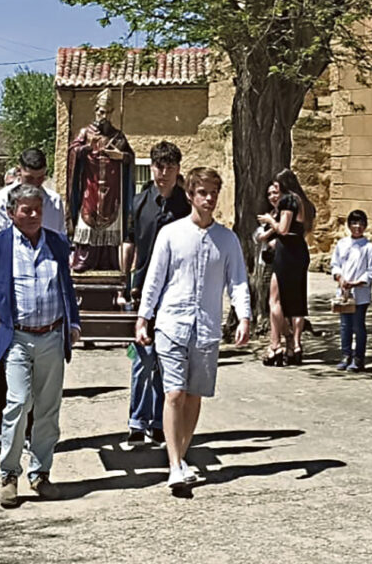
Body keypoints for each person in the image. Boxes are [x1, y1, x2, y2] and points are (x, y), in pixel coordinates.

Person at [0, 184, 82, 508]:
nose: (34, 214)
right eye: (26, 209)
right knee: (19, 402)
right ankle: (9, 475)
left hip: (52, 336)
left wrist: (74, 323)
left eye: (37, 208)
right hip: (18, 338)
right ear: (12, 213)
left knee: (49, 410)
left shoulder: (56, 243)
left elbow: (66, 285)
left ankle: (41, 475)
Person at [136, 167, 250, 490]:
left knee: (194, 397)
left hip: (207, 329)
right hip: (171, 325)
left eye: (213, 192)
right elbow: (154, 279)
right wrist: (144, 317)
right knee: (174, 393)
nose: (209, 198)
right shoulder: (171, 234)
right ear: (190, 196)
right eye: (202, 192)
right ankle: (174, 466)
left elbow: (238, 282)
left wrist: (244, 317)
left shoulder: (226, 240)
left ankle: (181, 455)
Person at [0, 147, 66, 450]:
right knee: (2, 362)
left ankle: (30, 428)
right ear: (19, 172)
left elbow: (60, 246)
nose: (37, 185)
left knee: (38, 370)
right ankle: (2, 419)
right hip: (6, 292)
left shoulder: (54, 202)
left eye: (42, 179)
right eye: (31, 178)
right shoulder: (2, 202)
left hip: (42, 291)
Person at [120, 141, 190, 447]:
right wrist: (124, 282)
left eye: (170, 168)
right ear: (152, 168)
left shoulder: (186, 206)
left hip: (175, 293)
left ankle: (160, 423)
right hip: (142, 288)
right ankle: (137, 420)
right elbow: (129, 242)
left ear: (177, 170)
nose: (163, 173)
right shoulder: (138, 202)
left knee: (166, 360)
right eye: (159, 167)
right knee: (141, 358)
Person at [66, 88, 135, 272]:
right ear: (95, 110)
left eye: (106, 112)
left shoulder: (117, 136)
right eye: (100, 111)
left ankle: (108, 260)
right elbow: (73, 152)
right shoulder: (85, 132)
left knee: (109, 223)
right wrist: (86, 149)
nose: (102, 116)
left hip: (111, 189)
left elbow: (129, 157)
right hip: (91, 186)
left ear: (112, 113)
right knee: (88, 218)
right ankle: (85, 258)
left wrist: (120, 157)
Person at [257, 168, 315, 366]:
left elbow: (282, 229)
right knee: (296, 299)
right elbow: (301, 229)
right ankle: (295, 346)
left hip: (287, 251)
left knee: (275, 298)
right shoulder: (305, 202)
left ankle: (276, 344)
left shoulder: (289, 200)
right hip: (299, 249)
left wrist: (269, 221)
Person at [331, 210, 372, 373]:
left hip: (360, 294)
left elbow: (371, 271)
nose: (357, 227)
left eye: (360, 223)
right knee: (345, 326)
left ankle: (359, 358)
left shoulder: (369, 247)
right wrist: (340, 278)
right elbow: (335, 264)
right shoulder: (342, 244)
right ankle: (345, 354)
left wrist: (357, 283)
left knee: (359, 326)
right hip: (344, 293)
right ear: (349, 225)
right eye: (354, 223)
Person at [253, 180, 280, 336]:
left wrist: (270, 228)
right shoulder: (270, 213)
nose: (272, 196)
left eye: (275, 193)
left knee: (276, 300)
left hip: (281, 261)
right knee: (267, 296)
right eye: (269, 194)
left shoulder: (283, 214)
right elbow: (257, 236)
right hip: (267, 259)